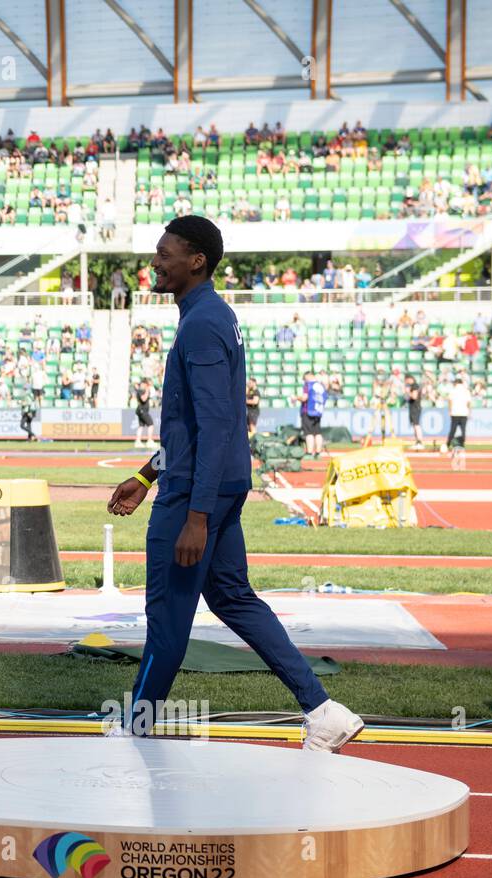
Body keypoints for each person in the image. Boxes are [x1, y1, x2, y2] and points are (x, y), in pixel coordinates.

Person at [105, 215, 362, 751]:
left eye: (164, 252)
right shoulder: (210, 314)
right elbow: (199, 426)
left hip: (197, 495)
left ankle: (135, 727)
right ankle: (324, 710)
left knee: (168, 619)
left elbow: (219, 422)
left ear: (196, 260)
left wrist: (195, 515)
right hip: (211, 482)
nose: (155, 262)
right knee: (233, 597)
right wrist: (147, 473)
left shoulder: (200, 323)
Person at [298, 369, 326, 459]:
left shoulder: (308, 385)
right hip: (318, 411)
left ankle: (309, 453)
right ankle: (318, 453)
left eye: (304, 379)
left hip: (308, 411)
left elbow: (304, 398)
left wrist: (295, 398)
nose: (304, 381)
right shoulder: (321, 386)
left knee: (309, 433)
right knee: (317, 432)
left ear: (307, 377)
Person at [447, 375, 469, 469]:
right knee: (463, 430)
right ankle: (462, 445)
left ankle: (448, 444)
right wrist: (468, 410)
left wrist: (450, 410)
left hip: (455, 412)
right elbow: (468, 402)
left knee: (453, 430)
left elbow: (450, 401)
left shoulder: (453, 390)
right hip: (464, 412)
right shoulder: (466, 390)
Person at [405, 372, 424, 451]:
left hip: (415, 407)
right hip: (413, 407)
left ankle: (419, 442)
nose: (406, 382)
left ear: (409, 379)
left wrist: (408, 392)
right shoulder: (414, 386)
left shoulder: (414, 386)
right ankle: (417, 442)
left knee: (416, 425)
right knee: (415, 425)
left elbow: (414, 396)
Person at [133, 377, 154, 448]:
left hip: (142, 410)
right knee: (151, 424)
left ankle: (138, 441)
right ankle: (149, 441)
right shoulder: (141, 390)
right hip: (142, 410)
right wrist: (147, 391)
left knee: (141, 426)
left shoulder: (142, 390)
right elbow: (143, 399)